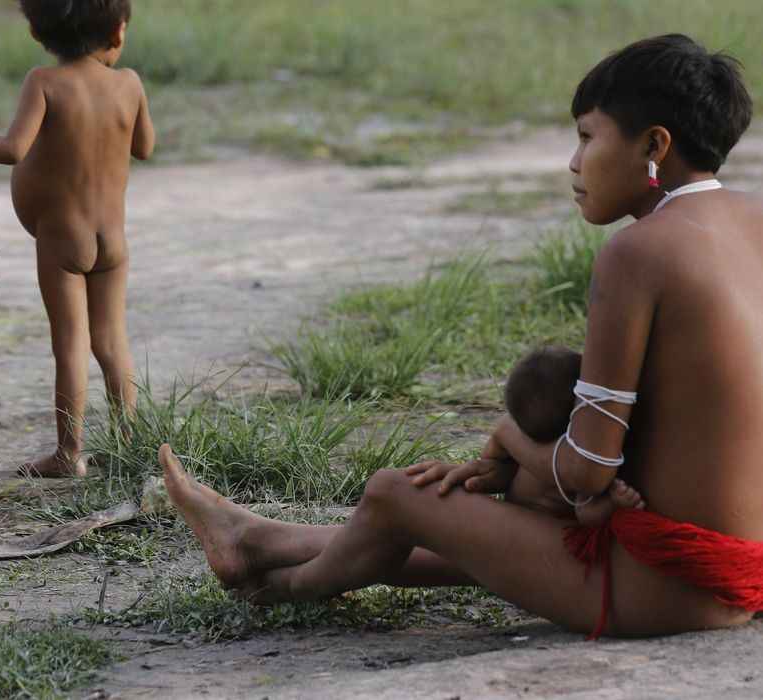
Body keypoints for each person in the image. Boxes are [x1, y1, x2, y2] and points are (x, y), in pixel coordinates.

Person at [159, 34, 763, 638]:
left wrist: (510, 440)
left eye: (586, 136)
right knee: (523, 488)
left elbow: (585, 474)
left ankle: (275, 585)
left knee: (397, 494)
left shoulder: (640, 251)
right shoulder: (753, 220)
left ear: (655, 145)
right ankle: (264, 539)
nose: (575, 163)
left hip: (670, 589)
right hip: (743, 579)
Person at [0, 0, 155, 478]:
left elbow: (12, 148)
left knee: (71, 346)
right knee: (112, 343)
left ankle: (68, 453)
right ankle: (129, 448)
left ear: (37, 33)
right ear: (118, 33)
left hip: (63, 244)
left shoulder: (45, 82)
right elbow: (145, 147)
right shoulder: (131, 84)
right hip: (113, 243)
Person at [482, 345, 645, 523]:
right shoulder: (581, 451)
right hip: (542, 530)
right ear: (581, 407)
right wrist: (614, 501)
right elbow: (585, 514)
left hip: (510, 511)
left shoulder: (521, 439)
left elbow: (488, 460)